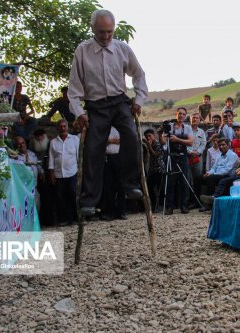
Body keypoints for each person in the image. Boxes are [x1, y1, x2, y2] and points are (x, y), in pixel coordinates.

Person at [68, 9, 148, 217]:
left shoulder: (122, 49)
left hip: (120, 101)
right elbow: (74, 88)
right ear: (93, 28)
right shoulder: (82, 50)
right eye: (102, 32)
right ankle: (89, 199)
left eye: (110, 32)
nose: (105, 37)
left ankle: (130, 184)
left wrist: (138, 100)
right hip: (95, 105)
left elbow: (139, 74)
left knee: (131, 136)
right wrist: (79, 112)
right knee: (93, 148)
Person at [159, 107, 194, 215]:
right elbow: (163, 142)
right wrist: (160, 134)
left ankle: (184, 205)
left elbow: (191, 142)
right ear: (176, 114)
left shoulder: (187, 127)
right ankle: (170, 207)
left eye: (183, 114)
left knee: (184, 181)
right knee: (170, 182)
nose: (181, 116)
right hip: (171, 157)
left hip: (183, 156)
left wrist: (177, 139)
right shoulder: (169, 127)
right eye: (179, 113)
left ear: (185, 116)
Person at [200, 137, 240, 207]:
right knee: (198, 177)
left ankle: (211, 202)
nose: (221, 147)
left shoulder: (232, 155)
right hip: (224, 174)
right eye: (220, 145)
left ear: (228, 145)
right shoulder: (219, 156)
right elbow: (214, 167)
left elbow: (227, 170)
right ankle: (198, 202)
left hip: (227, 174)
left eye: (223, 145)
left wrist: (213, 174)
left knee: (212, 178)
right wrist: (209, 173)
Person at [48, 120, 79, 226]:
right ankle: (64, 219)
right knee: (61, 197)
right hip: (59, 174)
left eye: (64, 126)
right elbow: (51, 158)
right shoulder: (53, 142)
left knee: (73, 194)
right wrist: (51, 173)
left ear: (67, 127)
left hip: (72, 172)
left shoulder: (75, 139)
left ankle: (74, 218)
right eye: (60, 126)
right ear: (57, 128)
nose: (62, 128)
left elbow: (78, 156)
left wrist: (80, 171)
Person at [99, 127, 126, 220]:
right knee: (108, 186)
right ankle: (109, 212)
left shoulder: (120, 127)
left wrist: (109, 141)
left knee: (121, 186)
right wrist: (111, 141)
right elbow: (101, 142)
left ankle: (121, 212)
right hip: (107, 158)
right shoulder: (104, 128)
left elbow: (124, 141)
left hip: (120, 157)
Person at [187, 113, 206, 207]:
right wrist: (190, 152)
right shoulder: (186, 130)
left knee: (197, 179)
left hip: (198, 158)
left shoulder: (202, 132)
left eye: (196, 118)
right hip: (187, 157)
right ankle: (188, 202)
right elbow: (183, 143)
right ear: (190, 119)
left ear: (199, 120)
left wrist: (197, 152)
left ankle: (197, 202)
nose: (194, 119)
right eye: (193, 117)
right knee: (187, 180)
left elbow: (203, 144)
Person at [144, 129, 165, 211]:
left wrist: (149, 146)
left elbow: (155, 155)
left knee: (160, 189)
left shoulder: (157, 144)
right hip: (152, 170)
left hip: (159, 170)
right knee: (149, 188)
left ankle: (160, 206)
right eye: (147, 137)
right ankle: (153, 205)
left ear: (154, 135)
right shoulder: (150, 144)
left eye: (150, 136)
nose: (148, 138)